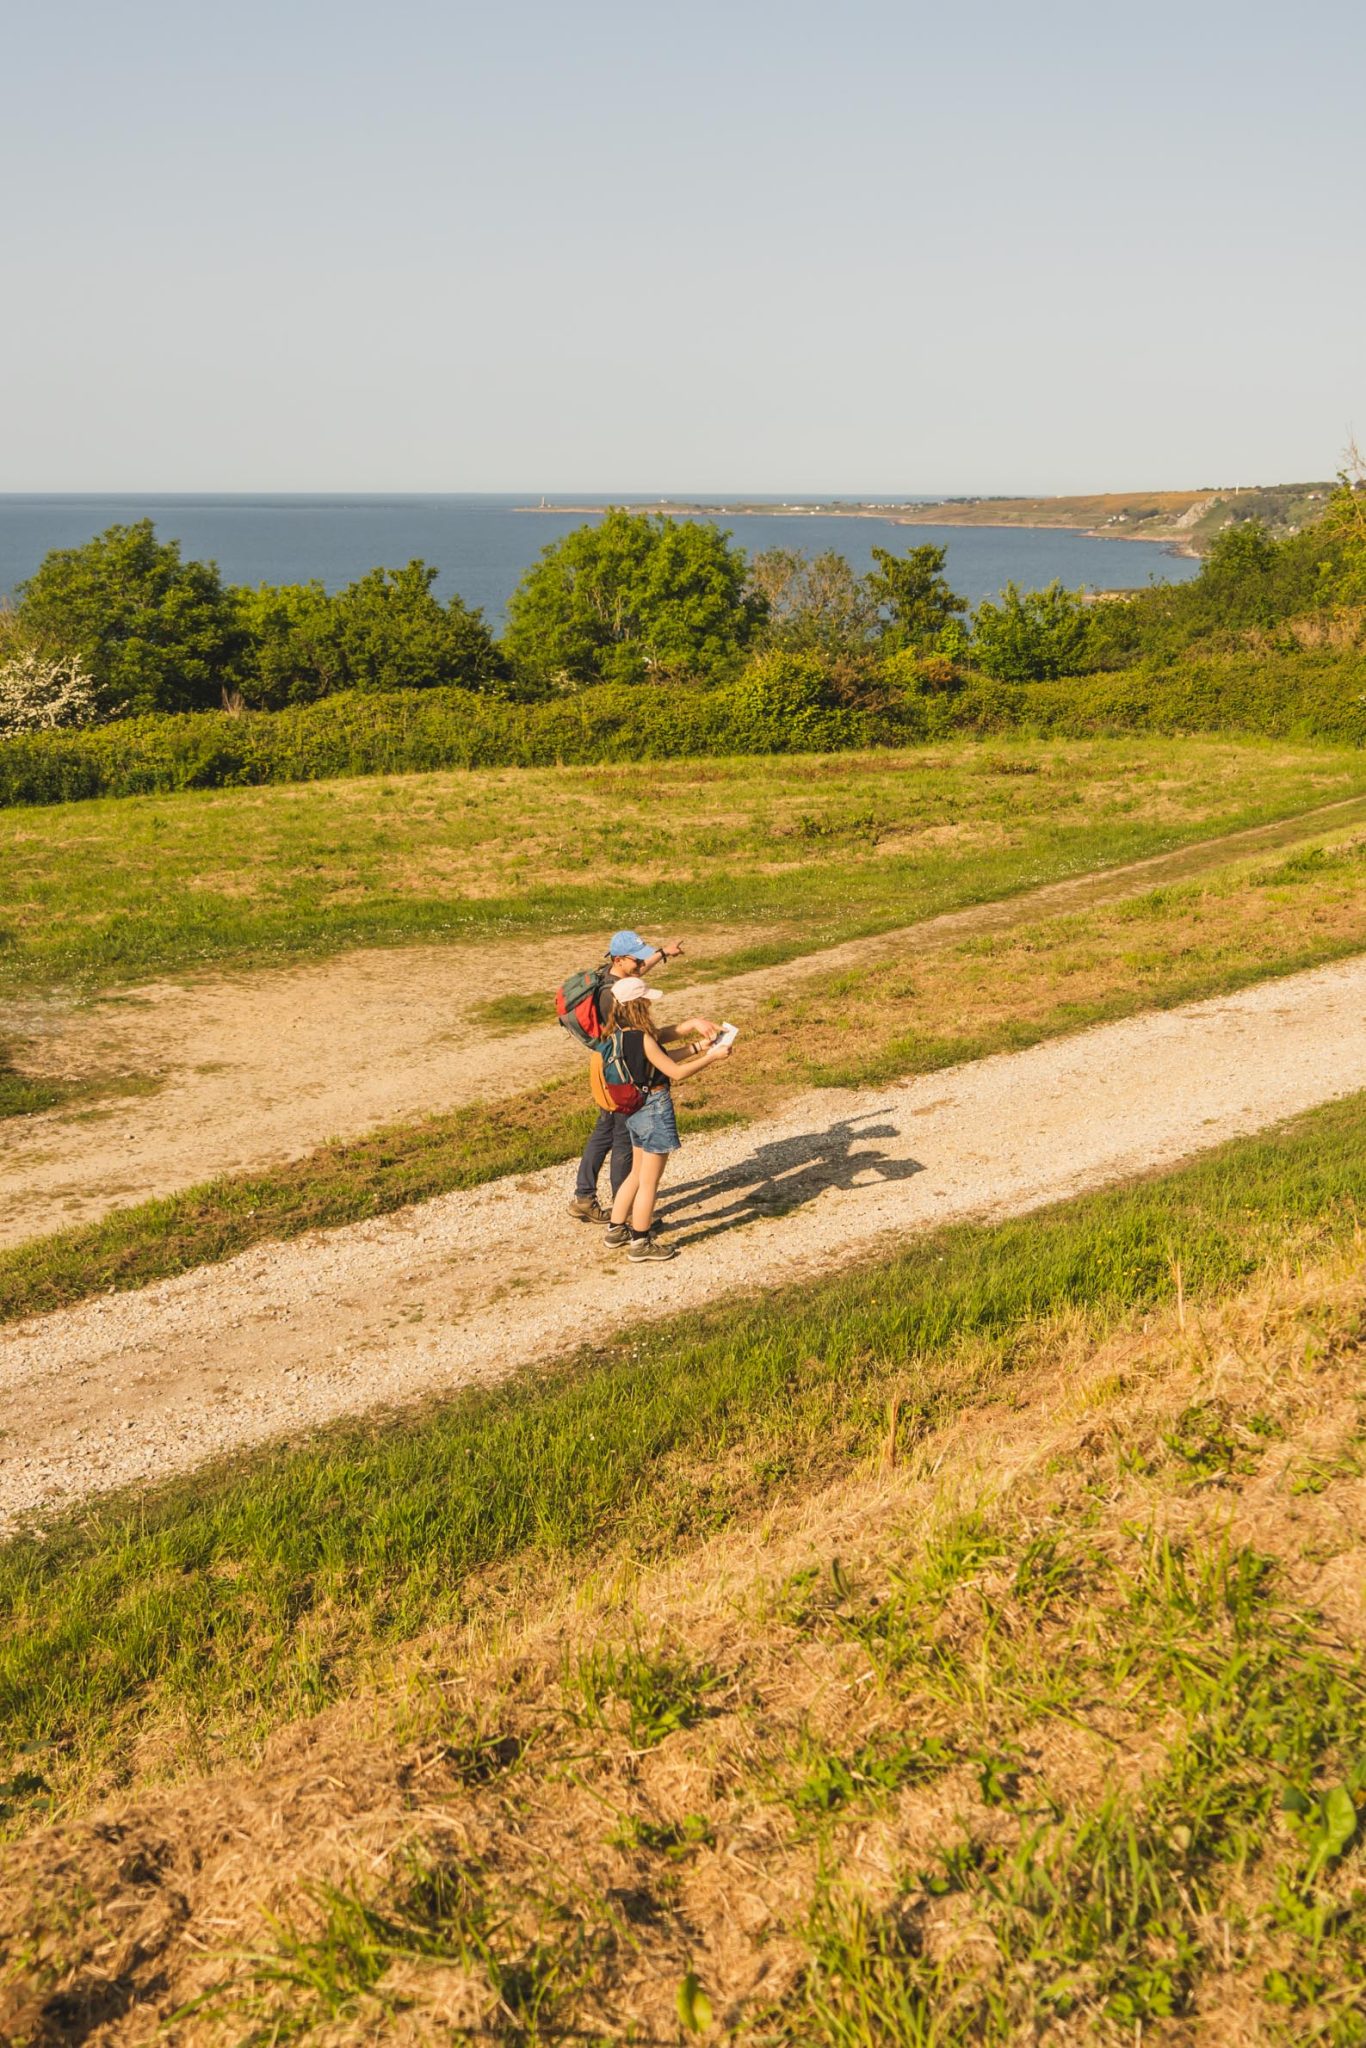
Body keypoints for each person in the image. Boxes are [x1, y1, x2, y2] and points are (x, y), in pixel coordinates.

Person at [567, 930, 715, 1222]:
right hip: (621, 1070)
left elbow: (638, 975)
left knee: (606, 1129)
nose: (641, 964)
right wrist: (701, 1047)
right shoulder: (614, 998)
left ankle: (587, 1197)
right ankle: (629, 1210)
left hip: (611, 1062)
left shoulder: (615, 981)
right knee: (622, 1136)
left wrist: (661, 953)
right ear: (620, 959)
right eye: (637, 960)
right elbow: (655, 1048)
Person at [602, 978, 732, 1262]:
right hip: (655, 1108)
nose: (650, 1004)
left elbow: (659, 1059)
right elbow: (675, 1071)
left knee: (636, 1174)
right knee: (650, 1182)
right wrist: (714, 1058)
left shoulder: (616, 1035)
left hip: (633, 1108)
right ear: (638, 1005)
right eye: (646, 1000)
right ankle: (640, 1242)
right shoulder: (645, 1037)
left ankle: (616, 1228)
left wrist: (699, 1048)